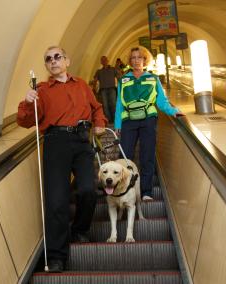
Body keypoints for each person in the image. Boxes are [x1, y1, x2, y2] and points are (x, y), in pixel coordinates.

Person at [17, 46, 107, 273]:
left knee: (88, 189)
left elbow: (97, 108)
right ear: (46, 66)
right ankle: (57, 256)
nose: (53, 61)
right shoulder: (42, 90)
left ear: (67, 61)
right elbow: (26, 121)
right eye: (48, 59)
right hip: (55, 142)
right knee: (57, 200)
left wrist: (99, 123)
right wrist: (28, 102)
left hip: (81, 140)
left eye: (57, 57)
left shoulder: (82, 85)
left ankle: (80, 229)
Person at [114, 46, 183, 201]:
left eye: (140, 57)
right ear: (130, 61)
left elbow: (161, 101)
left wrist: (173, 111)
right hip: (128, 121)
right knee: (125, 156)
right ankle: (124, 190)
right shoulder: (123, 80)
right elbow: (119, 103)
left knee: (147, 156)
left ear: (145, 60)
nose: (137, 60)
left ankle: (146, 192)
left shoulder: (153, 78)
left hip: (148, 121)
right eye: (133, 58)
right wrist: (118, 124)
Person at [93, 56, 120, 123]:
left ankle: (115, 119)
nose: (104, 61)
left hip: (112, 89)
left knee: (113, 104)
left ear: (108, 60)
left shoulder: (113, 69)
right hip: (103, 90)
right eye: (102, 60)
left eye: (105, 60)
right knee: (105, 105)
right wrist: (94, 88)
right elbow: (95, 80)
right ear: (101, 62)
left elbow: (119, 77)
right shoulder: (99, 71)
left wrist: (121, 86)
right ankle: (108, 120)